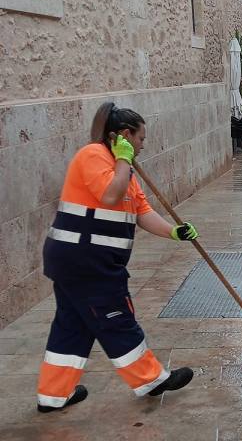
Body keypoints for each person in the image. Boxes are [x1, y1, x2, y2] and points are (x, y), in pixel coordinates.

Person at [37, 102, 199, 412]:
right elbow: (109, 195)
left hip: (84, 261)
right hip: (85, 260)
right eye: (140, 138)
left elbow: (142, 212)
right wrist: (123, 158)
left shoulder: (126, 170)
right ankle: (151, 379)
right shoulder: (93, 156)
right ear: (124, 135)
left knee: (72, 326)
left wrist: (174, 233)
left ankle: (54, 395)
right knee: (116, 318)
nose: (142, 145)